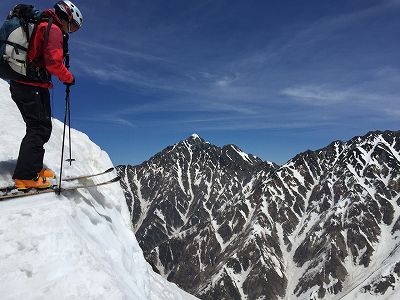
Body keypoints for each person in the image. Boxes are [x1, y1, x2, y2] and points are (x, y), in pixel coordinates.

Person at [11, 1, 83, 190]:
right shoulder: (54, 29)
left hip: (29, 84)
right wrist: (69, 78)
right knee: (38, 128)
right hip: (29, 85)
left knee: (41, 127)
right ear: (67, 16)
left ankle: (33, 169)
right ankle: (25, 177)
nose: (72, 30)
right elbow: (53, 62)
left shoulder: (44, 24)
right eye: (73, 25)